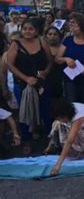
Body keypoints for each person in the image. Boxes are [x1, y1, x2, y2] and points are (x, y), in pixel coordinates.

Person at [6, 19, 53, 155]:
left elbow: (49, 62)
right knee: (25, 113)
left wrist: (45, 72)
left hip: (41, 84)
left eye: (31, 29)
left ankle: (50, 141)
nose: (27, 31)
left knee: (45, 112)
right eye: (25, 28)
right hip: (23, 84)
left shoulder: (42, 42)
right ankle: (27, 141)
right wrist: (26, 78)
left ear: (36, 31)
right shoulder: (16, 44)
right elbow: (10, 64)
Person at [56, 13, 84, 106]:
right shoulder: (67, 40)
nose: (71, 26)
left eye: (74, 23)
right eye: (70, 23)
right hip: (70, 80)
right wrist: (66, 59)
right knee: (72, 105)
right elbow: (57, 59)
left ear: (82, 25)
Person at [44, 27, 65, 103]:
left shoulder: (64, 48)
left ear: (59, 36)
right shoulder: (42, 49)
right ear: (46, 36)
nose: (52, 36)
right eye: (50, 34)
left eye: (55, 34)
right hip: (46, 81)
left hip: (61, 81)